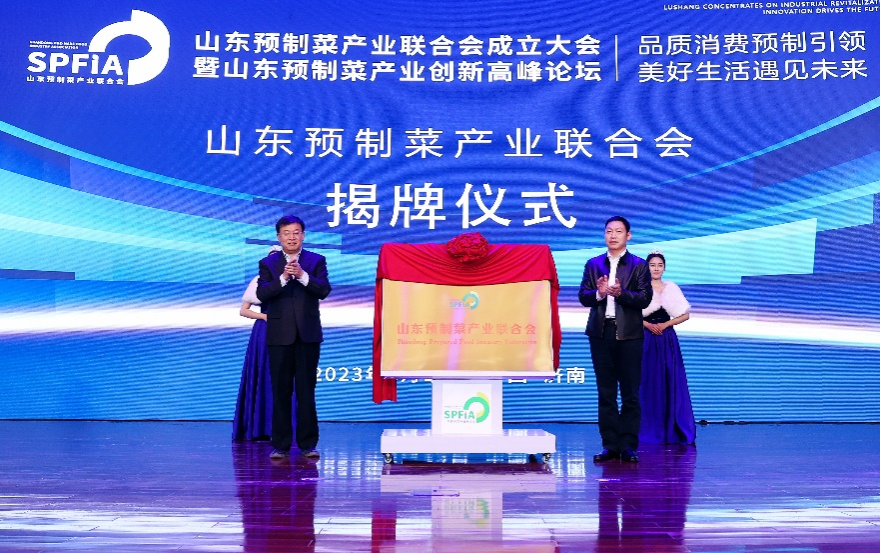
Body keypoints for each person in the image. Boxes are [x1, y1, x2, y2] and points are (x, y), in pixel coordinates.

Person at [257, 215, 331, 461]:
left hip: (308, 335)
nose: (292, 237)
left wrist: (301, 274)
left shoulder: (316, 260)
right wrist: (283, 278)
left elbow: (323, 290)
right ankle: (281, 446)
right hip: (279, 335)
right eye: (287, 233)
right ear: (279, 237)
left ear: (303, 235)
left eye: (296, 232)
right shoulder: (268, 263)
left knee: (306, 391)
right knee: (281, 391)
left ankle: (308, 444)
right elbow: (262, 294)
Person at [578, 216, 652, 463]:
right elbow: (583, 297)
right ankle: (610, 445)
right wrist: (598, 293)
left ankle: (628, 445)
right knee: (606, 392)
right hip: (601, 333)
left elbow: (644, 299)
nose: (613, 235)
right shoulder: (593, 264)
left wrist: (621, 294)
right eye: (609, 231)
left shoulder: (639, 265)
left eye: (618, 231)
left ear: (628, 236)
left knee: (630, 393)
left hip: (629, 334)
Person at [639, 250, 696, 445]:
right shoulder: (639, 287)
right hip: (646, 337)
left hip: (666, 338)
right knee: (648, 381)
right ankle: (648, 427)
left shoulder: (671, 287)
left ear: (664, 268)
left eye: (659, 265)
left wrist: (665, 325)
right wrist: (648, 325)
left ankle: (672, 428)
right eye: (652, 265)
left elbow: (685, 314)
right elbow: (629, 313)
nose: (656, 269)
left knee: (670, 380)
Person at [232, 246, 283, 441]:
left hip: (288, 330)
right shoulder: (259, 280)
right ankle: (261, 427)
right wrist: (266, 317)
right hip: (265, 331)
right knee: (265, 375)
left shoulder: (294, 280)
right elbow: (243, 310)